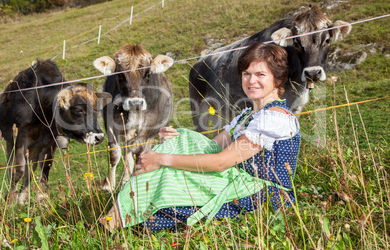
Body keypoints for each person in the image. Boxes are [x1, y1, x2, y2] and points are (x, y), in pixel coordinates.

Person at [102, 42, 301, 233]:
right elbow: (210, 146)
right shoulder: (249, 116)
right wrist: (176, 139)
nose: (251, 81)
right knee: (175, 151)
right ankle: (115, 219)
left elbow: (221, 162)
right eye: (246, 74)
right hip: (240, 183)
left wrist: (161, 159)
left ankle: (112, 222)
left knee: (167, 174)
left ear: (277, 79)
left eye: (260, 74)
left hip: (263, 194)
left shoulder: (273, 118)